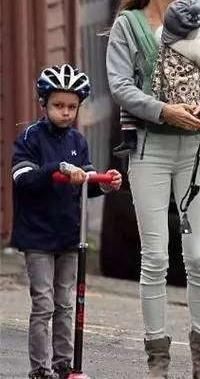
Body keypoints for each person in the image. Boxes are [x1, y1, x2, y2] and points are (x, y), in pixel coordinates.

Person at [105, 0, 200, 378]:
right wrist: (163, 110)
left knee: (199, 258)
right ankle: (158, 359)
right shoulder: (129, 25)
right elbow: (121, 86)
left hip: (196, 150)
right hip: (150, 149)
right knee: (155, 256)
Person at [11, 64, 122, 379]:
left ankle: (63, 364)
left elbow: (84, 181)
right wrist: (56, 169)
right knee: (43, 304)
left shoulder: (77, 141)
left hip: (68, 237)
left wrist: (104, 183)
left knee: (64, 304)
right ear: (43, 103)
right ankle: (39, 368)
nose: (65, 112)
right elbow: (23, 180)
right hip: (38, 238)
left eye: (72, 107)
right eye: (58, 106)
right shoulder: (30, 139)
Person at [113, 0, 200, 156]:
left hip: (162, 98)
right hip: (191, 106)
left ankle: (129, 136)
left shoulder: (160, 37)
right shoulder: (195, 47)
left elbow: (122, 87)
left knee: (134, 89)